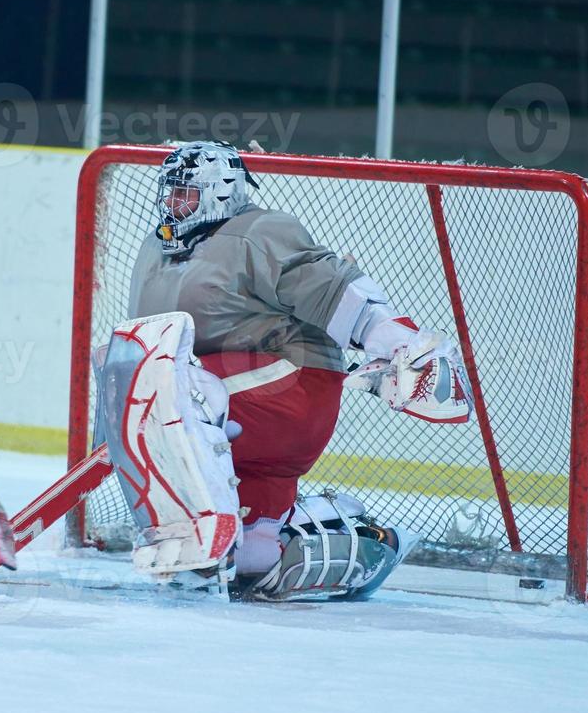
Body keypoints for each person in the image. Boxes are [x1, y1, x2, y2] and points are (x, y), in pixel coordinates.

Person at [113, 140, 469, 601]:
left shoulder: (259, 232)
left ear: (220, 192)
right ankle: (355, 541)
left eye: (187, 194)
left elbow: (333, 290)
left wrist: (402, 343)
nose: (173, 205)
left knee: (180, 391)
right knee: (253, 558)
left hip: (287, 391)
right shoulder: (157, 247)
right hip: (235, 403)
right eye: (170, 194)